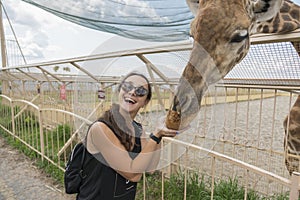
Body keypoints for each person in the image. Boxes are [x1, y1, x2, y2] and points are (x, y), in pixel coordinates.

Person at [76, 72, 179, 200]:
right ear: (119, 91)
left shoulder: (137, 129)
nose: (132, 92)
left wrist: (159, 134)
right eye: (127, 86)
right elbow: (132, 174)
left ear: (145, 102)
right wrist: (155, 135)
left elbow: (150, 168)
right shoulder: (101, 129)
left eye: (140, 91)